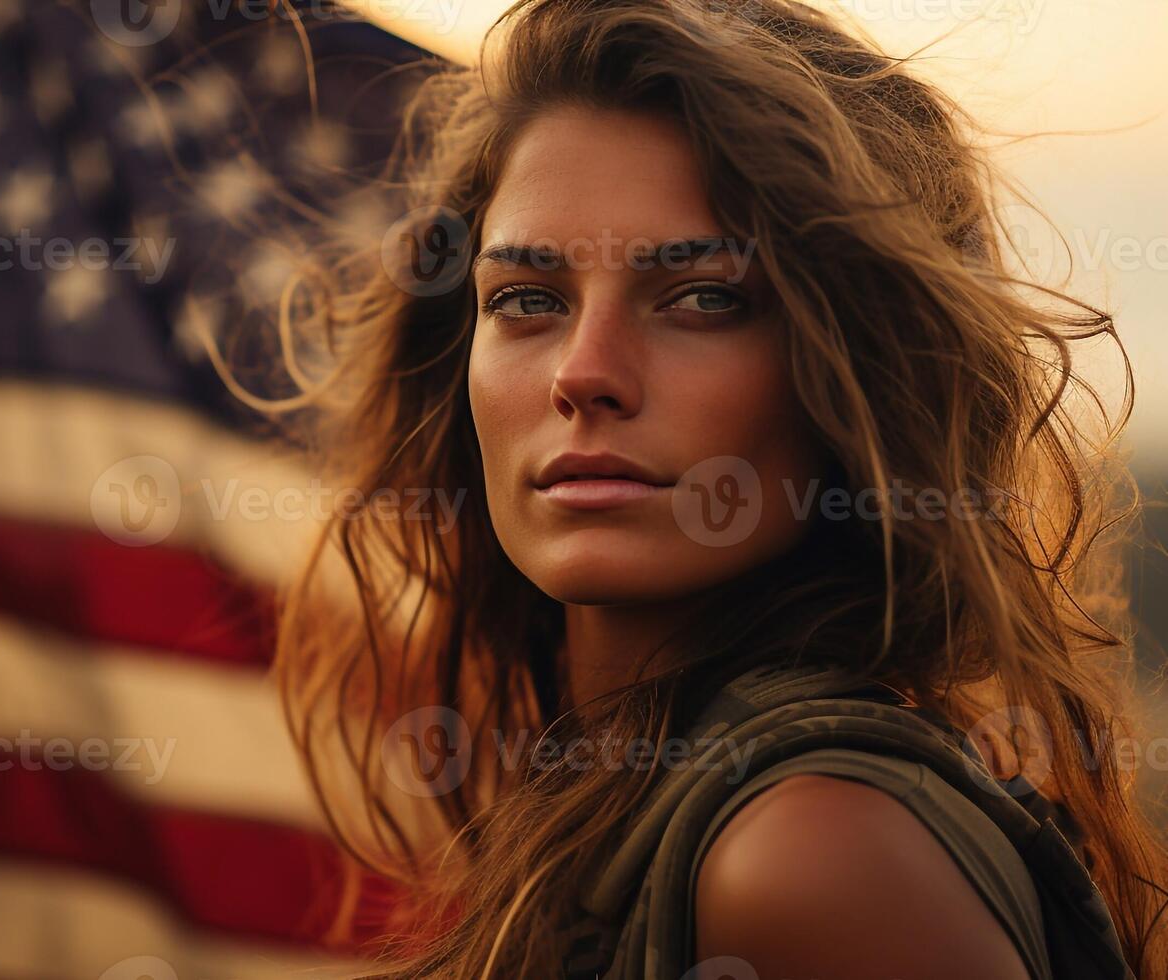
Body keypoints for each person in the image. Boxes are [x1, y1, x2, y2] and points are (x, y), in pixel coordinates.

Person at [217, 0, 1168, 975]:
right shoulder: (619, 798)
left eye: (704, 297)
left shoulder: (808, 852)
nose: (581, 373)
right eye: (527, 299)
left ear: (863, 368)